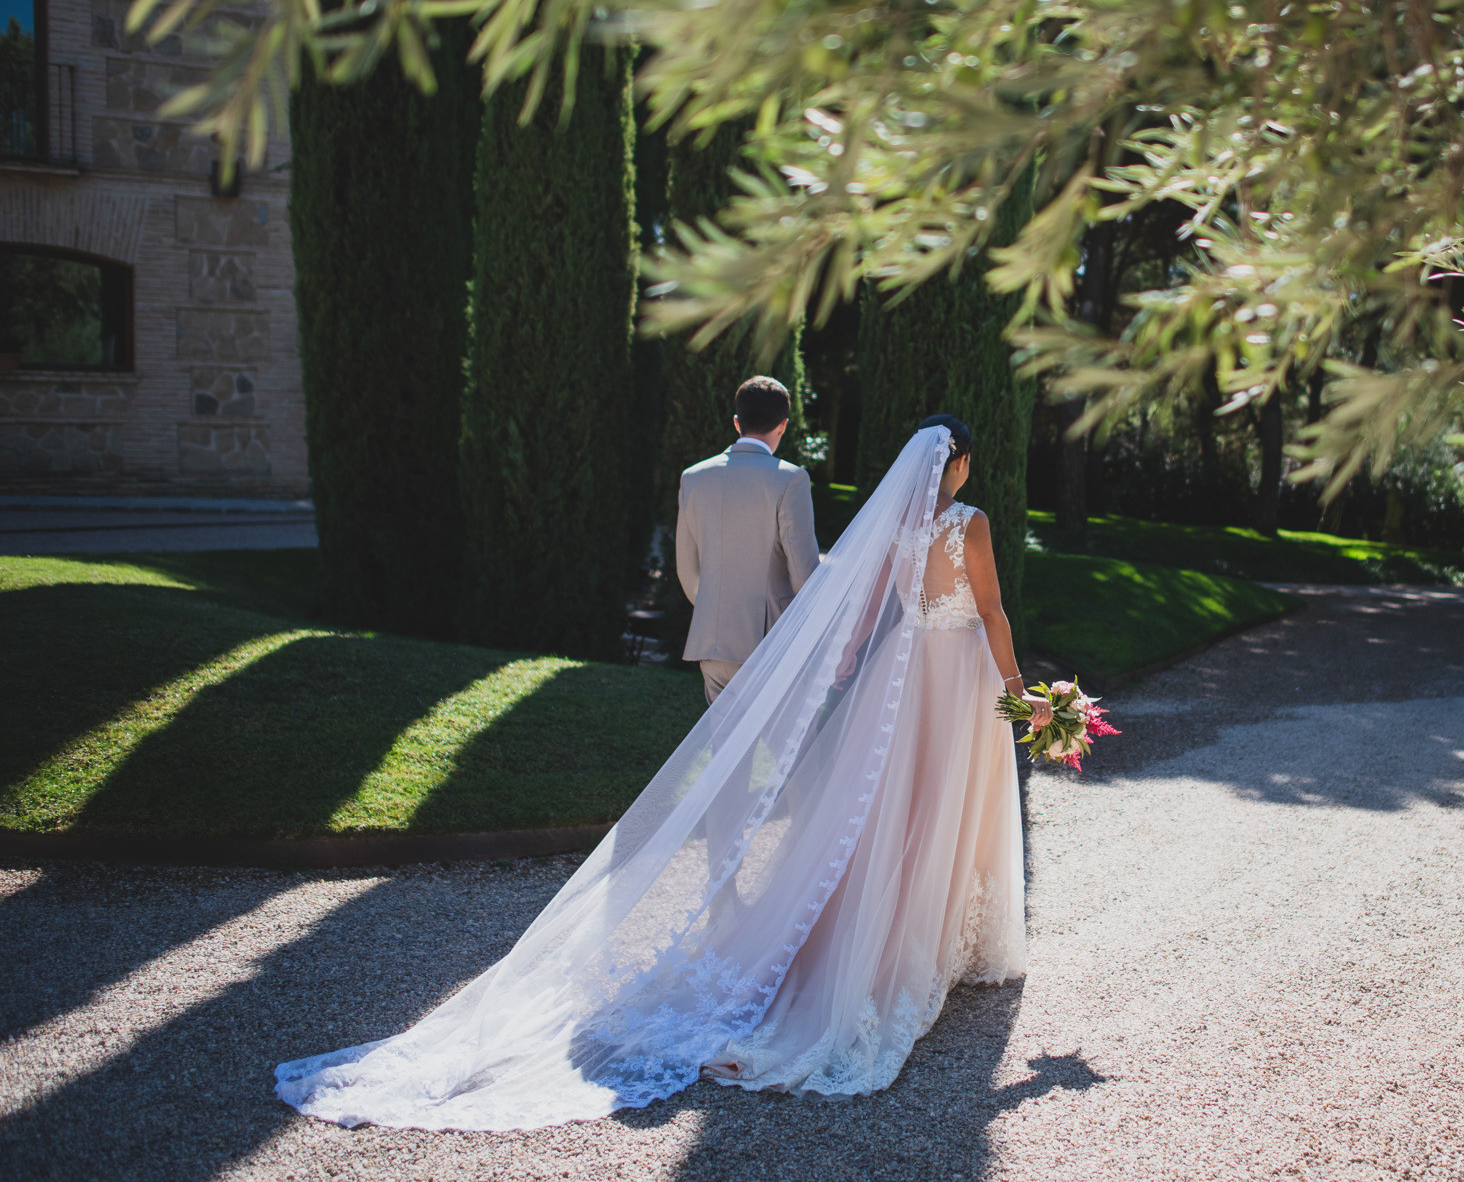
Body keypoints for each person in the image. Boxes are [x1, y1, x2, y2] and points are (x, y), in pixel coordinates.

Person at [273, 417, 1052, 1130]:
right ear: (962, 466)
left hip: (901, 675)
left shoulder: (895, 531)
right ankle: (932, 945)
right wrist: (1023, 695)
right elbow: (991, 613)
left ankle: (890, 937)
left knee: (892, 809)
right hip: (955, 678)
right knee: (944, 803)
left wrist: (848, 666)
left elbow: (872, 610)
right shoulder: (968, 524)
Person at [676, 376, 822, 705]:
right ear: (783, 425)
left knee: (727, 751)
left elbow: (687, 567)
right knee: (790, 750)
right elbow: (804, 574)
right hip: (771, 640)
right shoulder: (791, 478)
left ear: (736, 422)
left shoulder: (694, 477)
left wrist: (717, 610)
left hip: (713, 640)